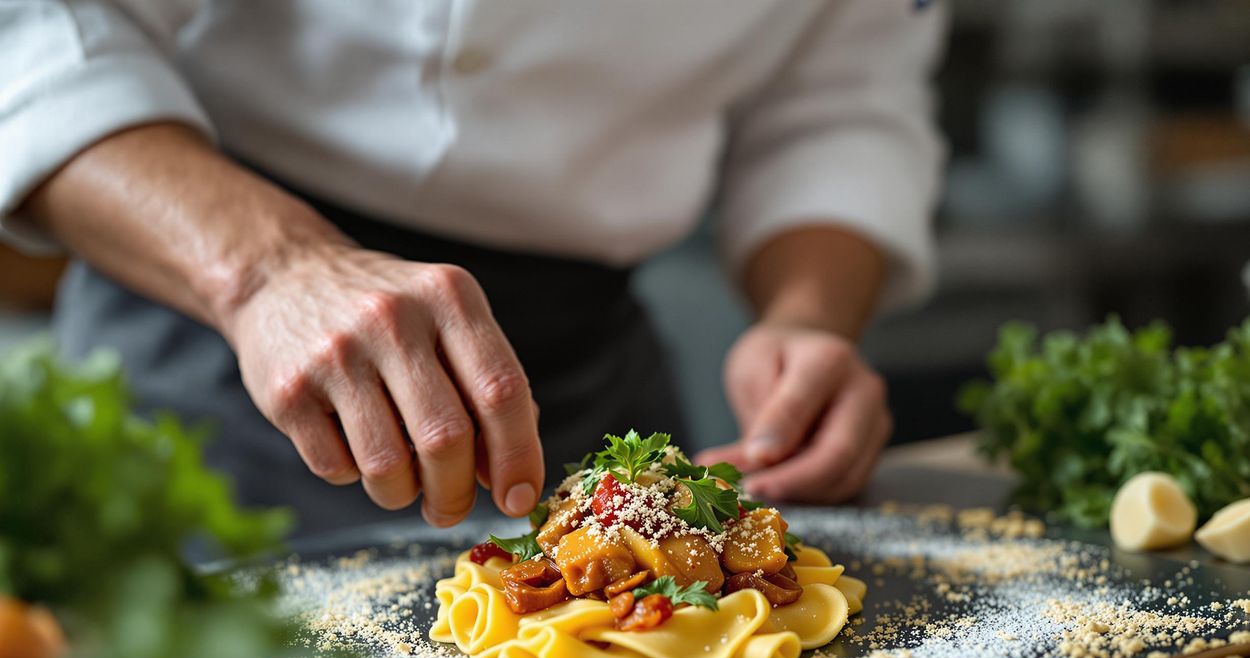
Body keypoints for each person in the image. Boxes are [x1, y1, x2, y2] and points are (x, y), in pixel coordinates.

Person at [0, 1, 945, 534]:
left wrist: (808, 317)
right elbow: (43, 28)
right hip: (203, 312)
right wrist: (269, 268)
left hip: (584, 381)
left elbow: (839, 99)